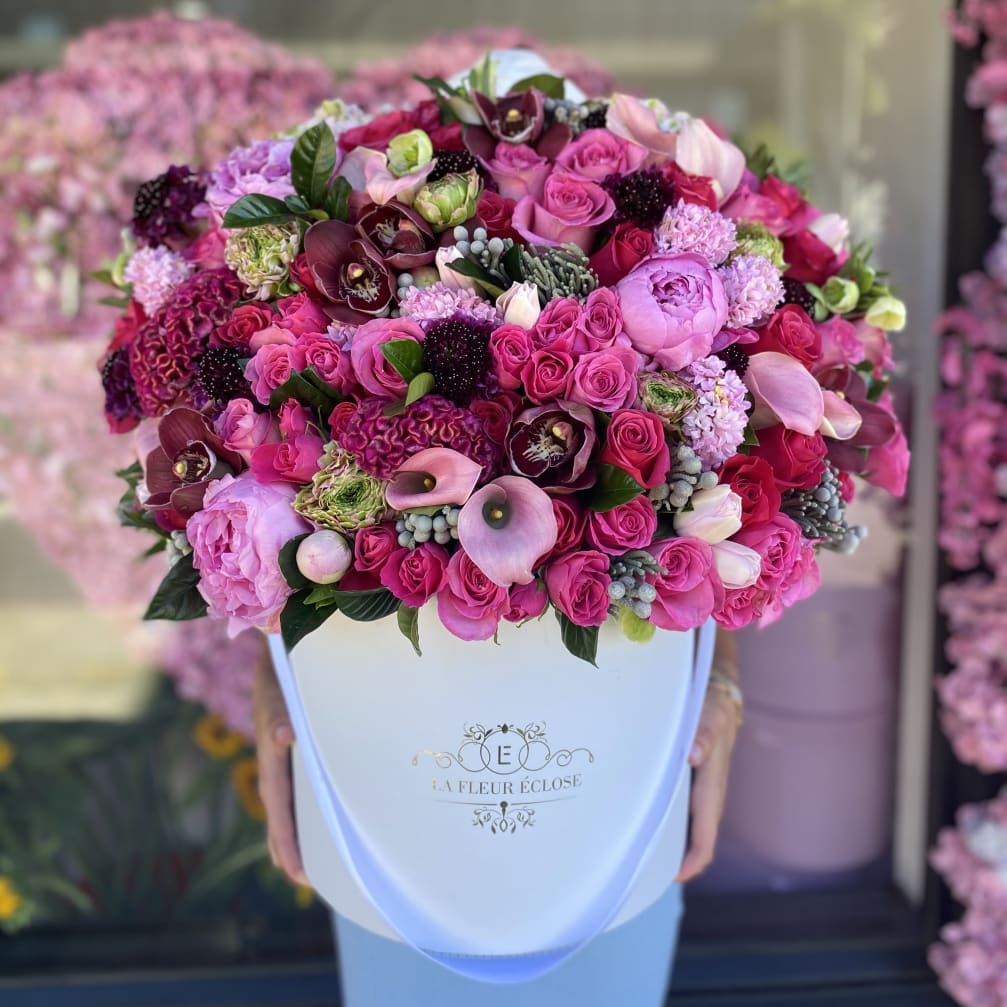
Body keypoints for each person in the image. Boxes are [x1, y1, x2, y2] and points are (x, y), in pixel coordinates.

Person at [254, 628, 742, 1005]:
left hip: (620, 764)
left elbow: (731, 504)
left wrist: (718, 668)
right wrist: (272, 645)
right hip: (385, 799)